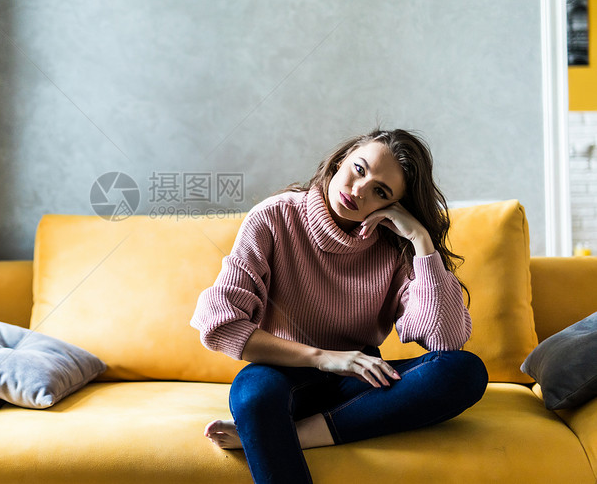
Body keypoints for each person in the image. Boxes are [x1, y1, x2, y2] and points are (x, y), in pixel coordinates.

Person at [190, 129, 488, 484]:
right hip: (281, 372)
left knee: (464, 371)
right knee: (255, 397)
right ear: (340, 159)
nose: (359, 190)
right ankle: (269, 426)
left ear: (392, 205)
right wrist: (323, 357)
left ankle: (285, 435)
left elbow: (445, 340)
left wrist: (421, 242)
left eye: (381, 191)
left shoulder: (394, 245)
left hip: (358, 379)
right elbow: (219, 324)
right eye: (359, 170)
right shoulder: (273, 217)